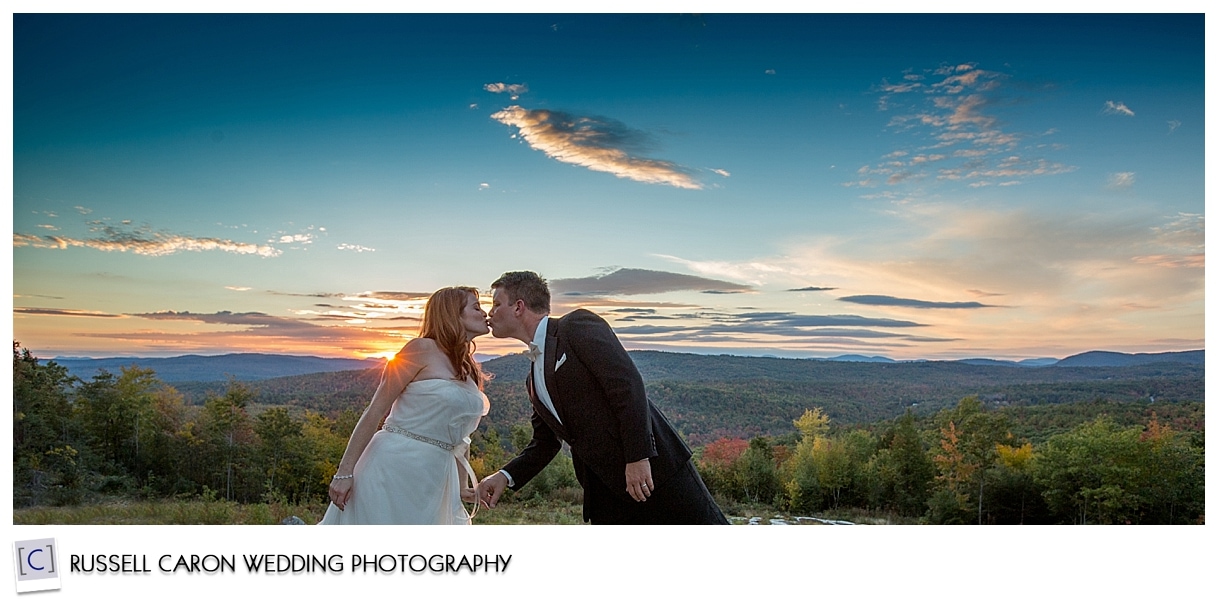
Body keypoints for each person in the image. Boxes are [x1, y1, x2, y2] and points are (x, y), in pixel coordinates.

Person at [476, 271, 728, 524]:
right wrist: (505, 476)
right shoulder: (533, 379)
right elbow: (545, 443)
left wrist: (638, 458)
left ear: (519, 307)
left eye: (496, 304)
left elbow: (626, 386)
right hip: (605, 494)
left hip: (655, 476)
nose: (490, 313)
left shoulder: (575, 326)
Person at [318, 286, 490, 525]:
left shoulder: (467, 367)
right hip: (393, 466)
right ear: (453, 313)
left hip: (437, 475)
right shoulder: (420, 349)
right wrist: (344, 472)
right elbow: (375, 411)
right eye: (476, 307)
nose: (484, 313)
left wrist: (461, 486)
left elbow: (462, 436)